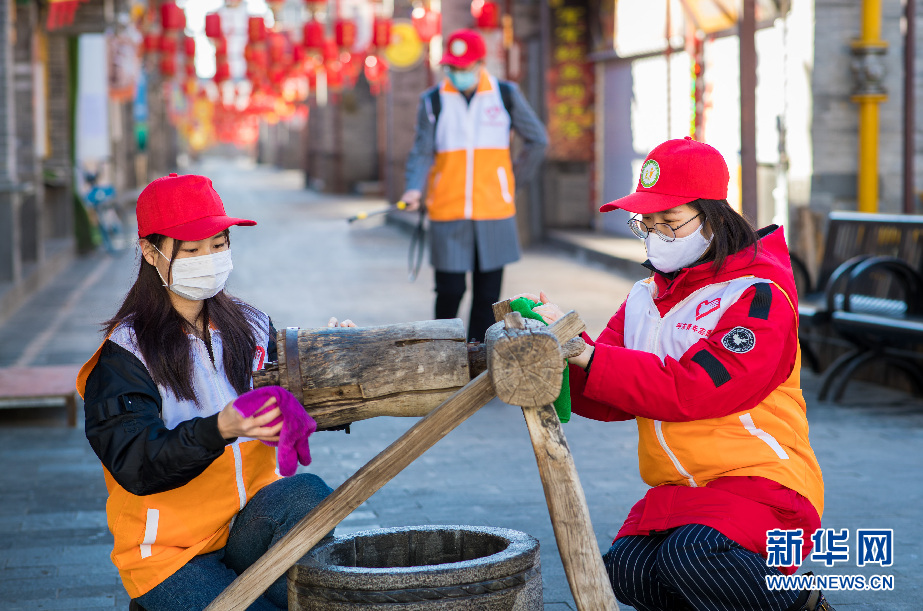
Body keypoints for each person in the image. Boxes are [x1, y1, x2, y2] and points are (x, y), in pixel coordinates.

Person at [517, 138, 834, 611]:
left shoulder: (757, 295)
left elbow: (695, 388)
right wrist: (553, 354)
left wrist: (585, 355)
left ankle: (803, 603)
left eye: (670, 222)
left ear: (714, 217)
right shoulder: (644, 295)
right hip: (680, 486)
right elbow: (609, 393)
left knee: (693, 558)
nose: (655, 235)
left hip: (761, 481)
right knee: (627, 571)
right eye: (646, 224)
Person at [76, 173, 355, 611]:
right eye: (191, 249)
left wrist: (336, 357)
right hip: (168, 553)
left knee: (308, 498)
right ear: (150, 253)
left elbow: (295, 395)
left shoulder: (251, 325)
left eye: (219, 244)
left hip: (244, 525)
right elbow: (137, 464)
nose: (209, 258)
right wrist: (218, 428)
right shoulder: (125, 356)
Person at [401, 28, 548, 342]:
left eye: (463, 67)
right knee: (450, 291)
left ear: (481, 63)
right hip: (447, 209)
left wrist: (511, 182)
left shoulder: (505, 95)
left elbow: (537, 140)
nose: (457, 74)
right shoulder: (433, 101)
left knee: (488, 297)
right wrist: (414, 188)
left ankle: (478, 361)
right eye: (451, 68)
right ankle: (442, 356)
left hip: (494, 210)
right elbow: (422, 150)